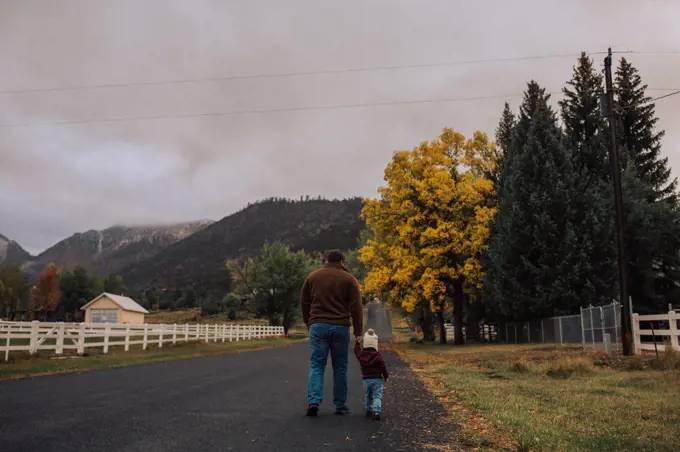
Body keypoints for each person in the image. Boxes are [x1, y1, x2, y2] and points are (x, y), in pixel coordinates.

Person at [300, 249, 363, 416]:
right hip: (340, 326)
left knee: (316, 365)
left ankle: (314, 401)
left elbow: (304, 302)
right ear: (342, 262)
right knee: (340, 366)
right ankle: (340, 405)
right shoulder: (349, 279)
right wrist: (358, 333)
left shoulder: (312, 277)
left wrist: (309, 322)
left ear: (326, 260)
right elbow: (357, 308)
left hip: (318, 326)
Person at [354, 328, 389, 421]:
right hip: (377, 379)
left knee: (368, 394)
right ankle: (376, 411)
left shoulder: (361, 355)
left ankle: (368, 409)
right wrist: (386, 376)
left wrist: (357, 343)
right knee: (377, 395)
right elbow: (383, 367)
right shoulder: (378, 356)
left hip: (366, 379)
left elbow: (356, 352)